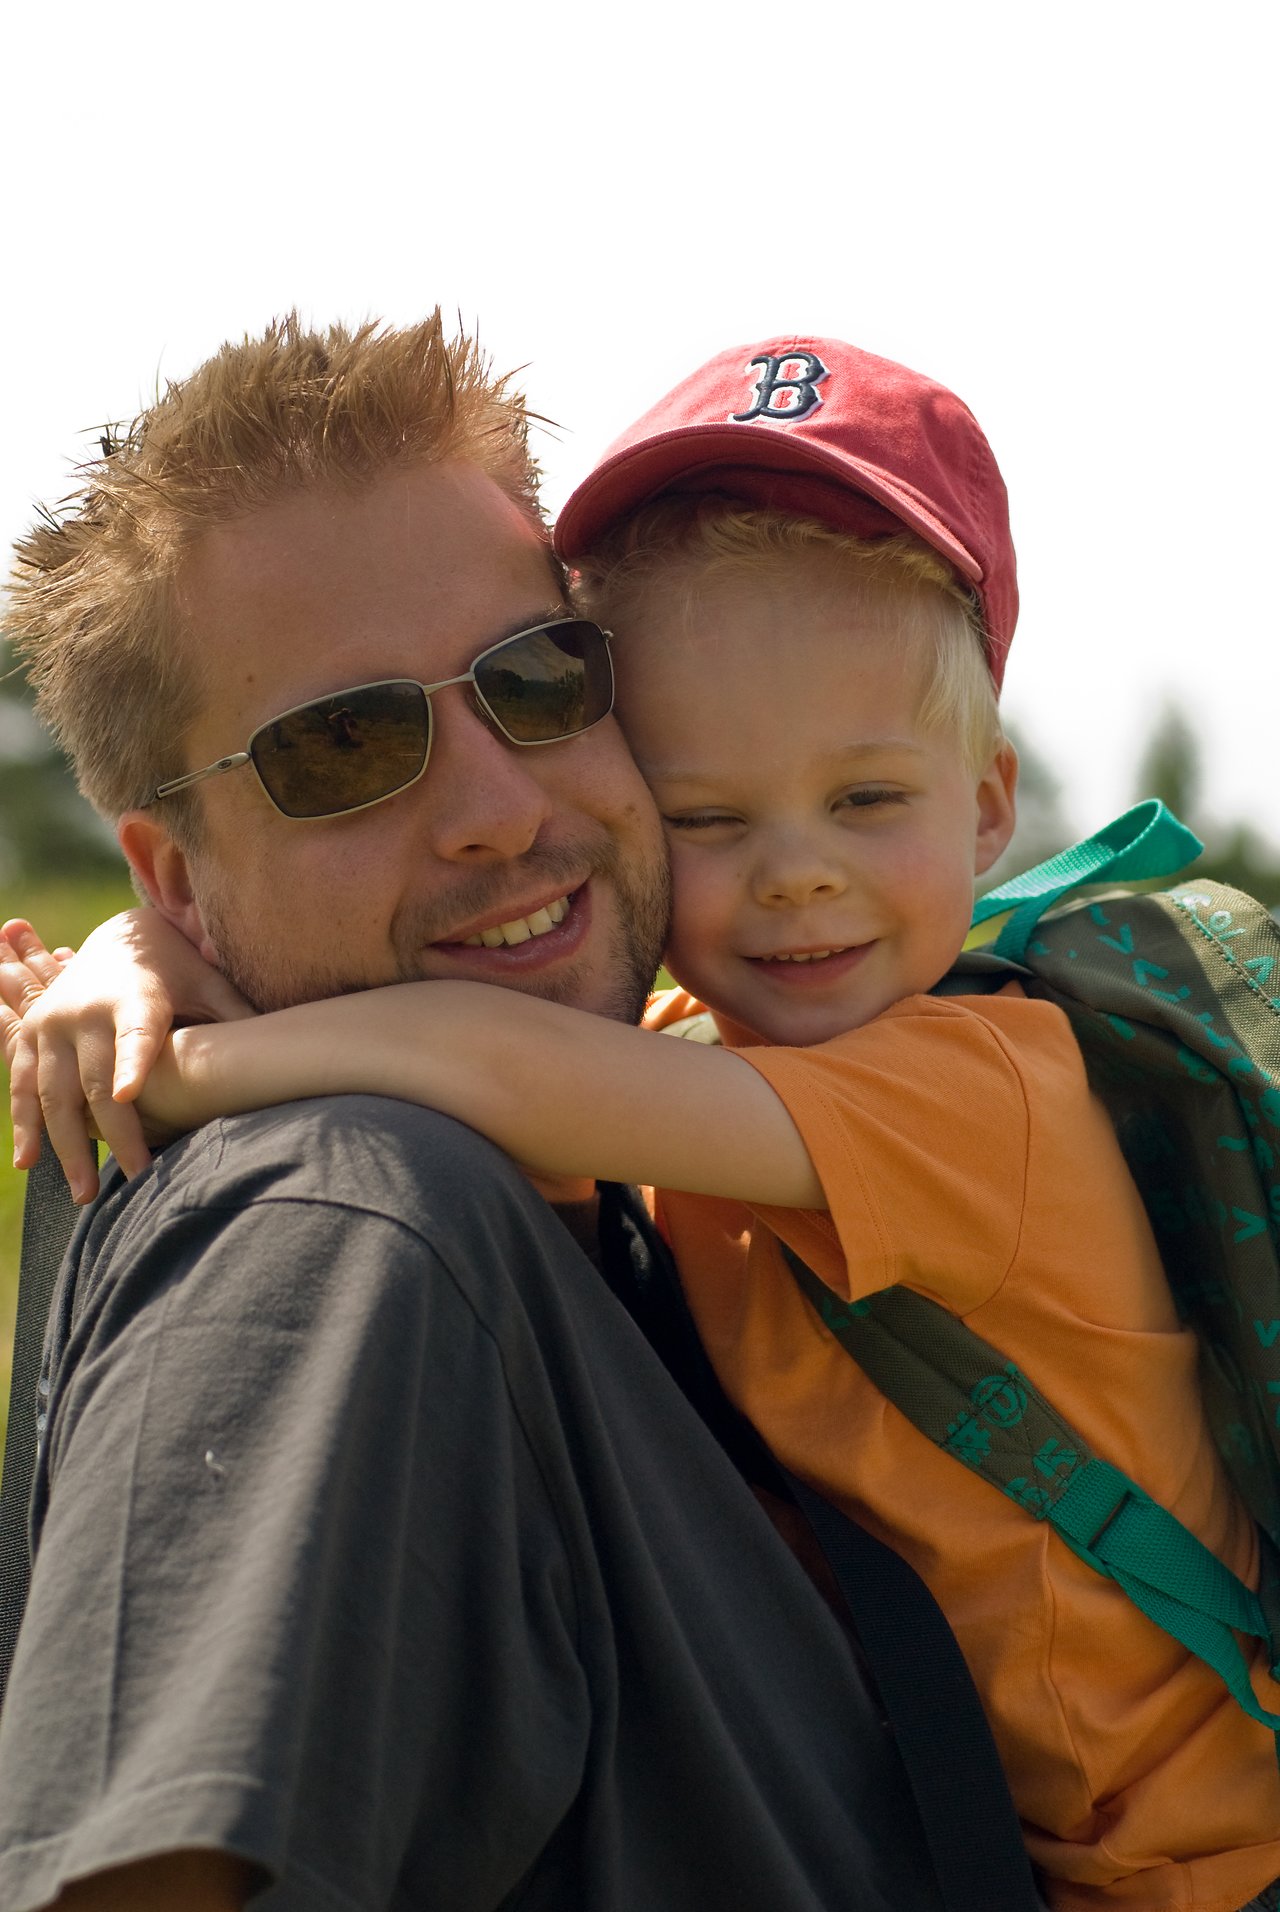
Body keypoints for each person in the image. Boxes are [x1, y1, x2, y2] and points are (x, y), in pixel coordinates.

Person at [11, 336, 1280, 1912]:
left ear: (986, 803)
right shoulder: (358, 1193)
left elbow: (498, 1066)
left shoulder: (953, 1085)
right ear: (175, 866)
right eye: (342, 745)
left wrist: (184, 1050)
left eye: (541, 680)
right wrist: (145, 956)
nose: (501, 807)